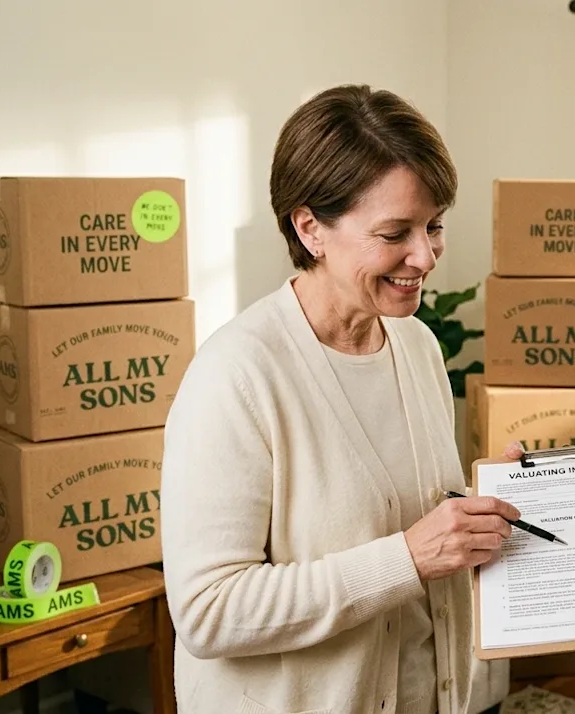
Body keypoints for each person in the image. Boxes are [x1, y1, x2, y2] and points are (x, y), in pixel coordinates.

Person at [159, 84, 519, 714]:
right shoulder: (236, 376)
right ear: (310, 229)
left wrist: (476, 511)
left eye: (434, 225)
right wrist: (408, 558)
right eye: (395, 232)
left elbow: (399, 520)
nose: (425, 255)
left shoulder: (416, 345)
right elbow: (208, 612)